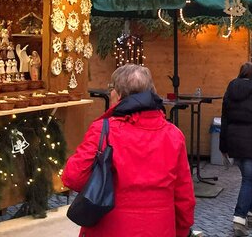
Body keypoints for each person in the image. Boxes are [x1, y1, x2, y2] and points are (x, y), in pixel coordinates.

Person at [62, 64, 195, 236]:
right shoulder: (174, 135)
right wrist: (182, 230)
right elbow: (184, 197)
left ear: (118, 95)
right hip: (160, 229)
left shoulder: (104, 130)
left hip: (109, 229)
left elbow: (73, 177)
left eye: (111, 89)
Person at [220, 62, 252, 237]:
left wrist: (223, 146)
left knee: (249, 179)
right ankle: (239, 219)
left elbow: (224, 118)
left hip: (234, 140)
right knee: (249, 180)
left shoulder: (230, 90)